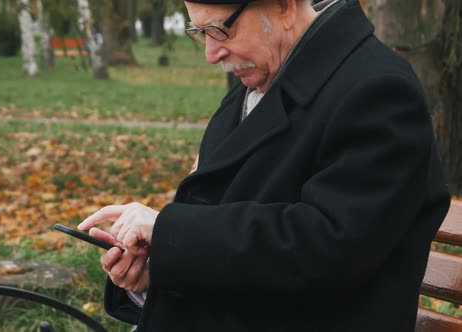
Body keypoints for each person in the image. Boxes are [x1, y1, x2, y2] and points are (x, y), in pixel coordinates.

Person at [77, 0, 452, 330]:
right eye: (199, 31)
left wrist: (170, 232)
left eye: (221, 29)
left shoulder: (378, 91)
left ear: (284, 7)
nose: (211, 53)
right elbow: (223, 235)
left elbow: (326, 250)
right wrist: (156, 269)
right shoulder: (258, 82)